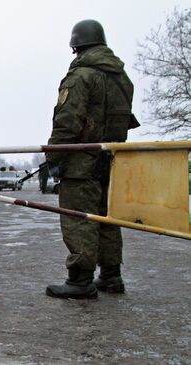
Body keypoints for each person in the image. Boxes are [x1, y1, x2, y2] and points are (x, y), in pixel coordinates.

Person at [45, 19, 139, 299]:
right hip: (111, 161)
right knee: (107, 218)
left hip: (81, 164)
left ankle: (80, 280)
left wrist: (54, 156)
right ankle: (111, 276)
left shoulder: (81, 76)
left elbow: (67, 122)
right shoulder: (122, 79)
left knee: (80, 219)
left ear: (77, 46)